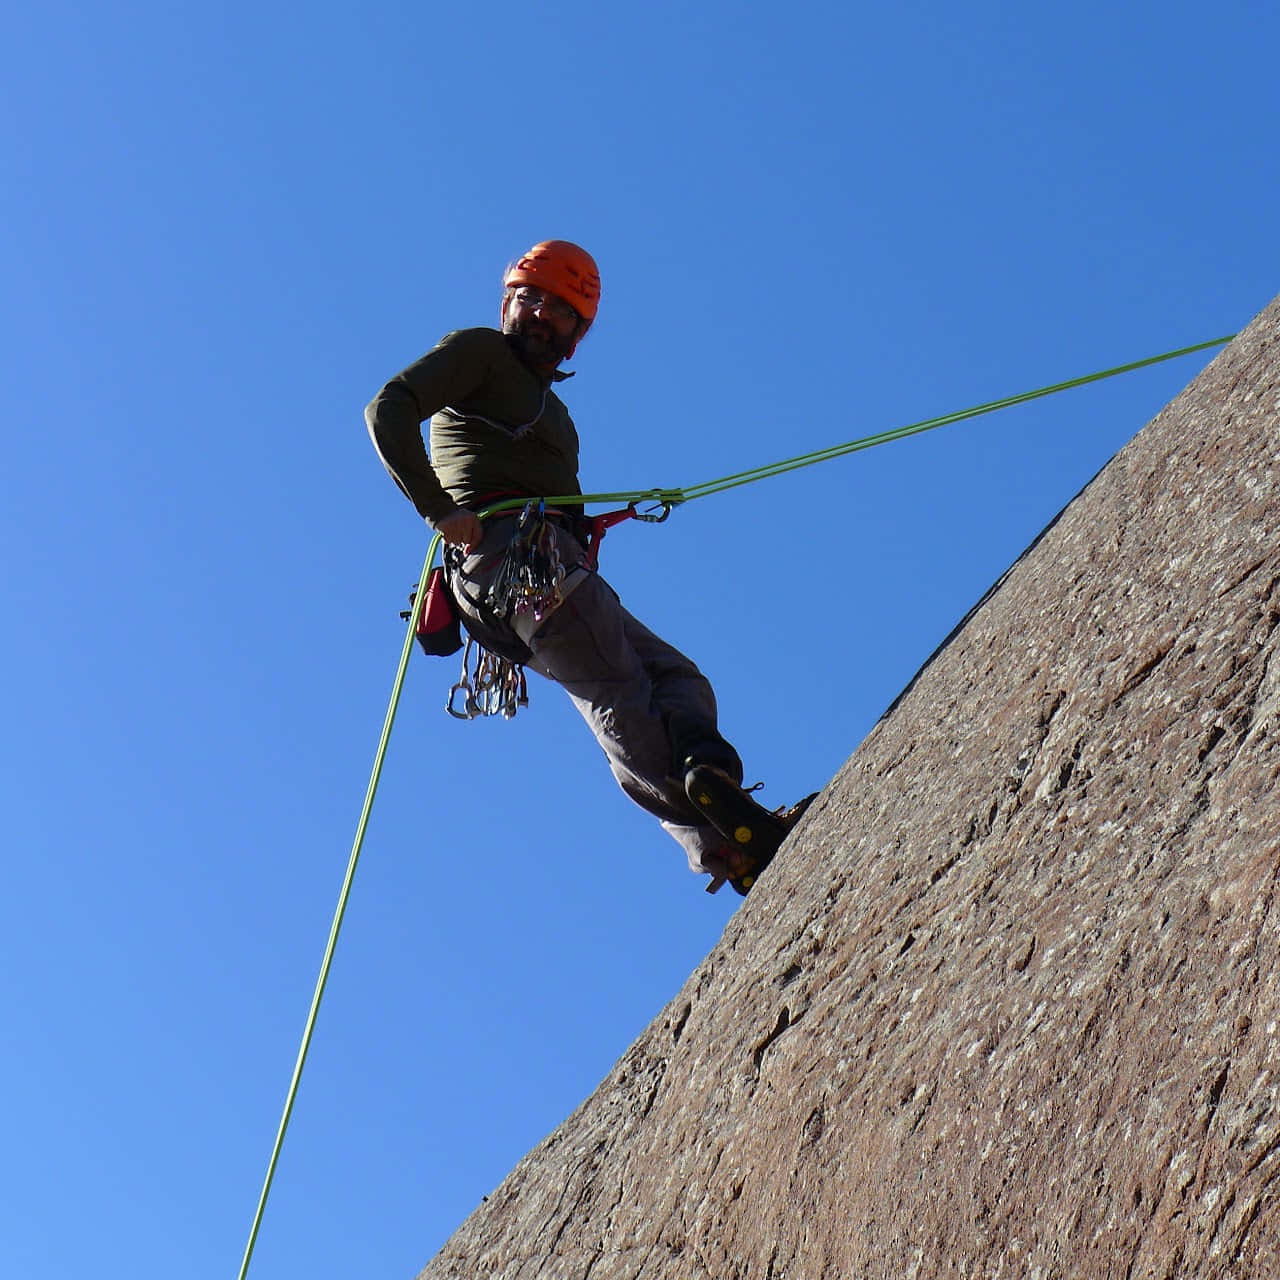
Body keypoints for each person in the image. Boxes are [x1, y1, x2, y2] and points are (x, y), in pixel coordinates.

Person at [366, 240, 798, 893]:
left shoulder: (556, 416)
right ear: (506, 302)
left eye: (559, 309)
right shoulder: (479, 352)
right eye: (528, 297)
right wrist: (437, 508)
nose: (540, 313)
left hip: (544, 562)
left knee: (674, 677)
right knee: (616, 691)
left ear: (577, 332)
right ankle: (728, 839)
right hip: (510, 559)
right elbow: (389, 407)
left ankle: (708, 783)